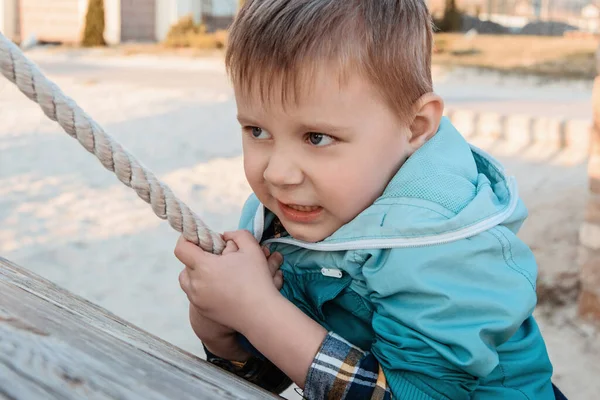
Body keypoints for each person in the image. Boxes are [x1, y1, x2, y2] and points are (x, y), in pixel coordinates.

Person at [175, 1, 564, 398]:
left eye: (316, 137)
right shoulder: (286, 215)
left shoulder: (443, 251)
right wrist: (221, 329)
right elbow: (276, 374)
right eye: (257, 130)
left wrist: (257, 311)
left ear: (415, 127)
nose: (277, 173)